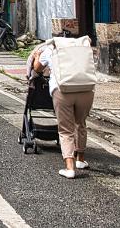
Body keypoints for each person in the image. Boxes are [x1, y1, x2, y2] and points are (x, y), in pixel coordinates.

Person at [32, 43, 94, 179]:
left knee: (66, 129)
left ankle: (69, 168)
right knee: (80, 124)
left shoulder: (50, 49)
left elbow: (37, 69)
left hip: (63, 90)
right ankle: (80, 160)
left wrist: (37, 56)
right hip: (86, 89)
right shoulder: (82, 49)